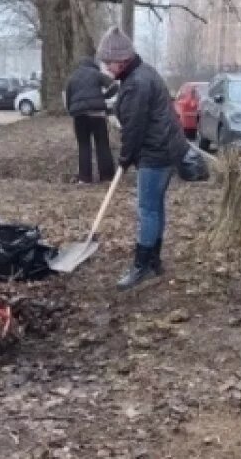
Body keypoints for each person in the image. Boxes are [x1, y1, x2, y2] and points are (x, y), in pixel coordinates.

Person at [95, 26, 190, 291]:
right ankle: (154, 261)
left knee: (147, 209)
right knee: (155, 207)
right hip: (166, 149)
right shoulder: (141, 73)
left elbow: (134, 128)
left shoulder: (137, 82)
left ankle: (141, 265)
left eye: (108, 62)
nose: (106, 68)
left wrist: (124, 160)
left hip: (156, 152)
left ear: (122, 59)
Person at [64, 56, 117, 184]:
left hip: (79, 115)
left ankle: (84, 178)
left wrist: (72, 110)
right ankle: (107, 177)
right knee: (102, 144)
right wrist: (103, 97)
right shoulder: (96, 74)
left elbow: (68, 98)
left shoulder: (72, 77)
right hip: (97, 113)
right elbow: (114, 86)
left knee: (83, 145)